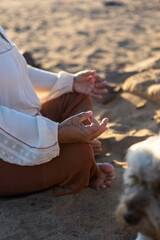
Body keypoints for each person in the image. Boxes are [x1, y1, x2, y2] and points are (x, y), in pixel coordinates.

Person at [0, 26, 114, 197]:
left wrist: (71, 82)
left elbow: (19, 71)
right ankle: (86, 165)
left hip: (29, 123)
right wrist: (56, 133)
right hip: (6, 150)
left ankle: (80, 149)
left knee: (76, 98)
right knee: (79, 153)